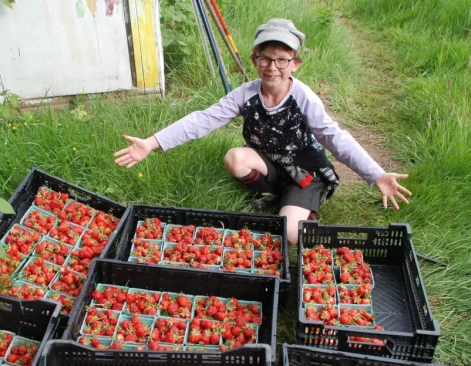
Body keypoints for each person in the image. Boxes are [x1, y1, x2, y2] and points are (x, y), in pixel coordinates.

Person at [114, 18, 411, 244]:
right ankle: (273, 194)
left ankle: (300, 204)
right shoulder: (246, 94)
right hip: (269, 163)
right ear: (255, 59)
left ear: (295, 63)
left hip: (304, 172)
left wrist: (375, 174)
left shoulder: (303, 97)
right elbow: (203, 119)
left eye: (282, 59)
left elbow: (334, 137)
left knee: (290, 234)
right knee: (235, 158)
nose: (273, 67)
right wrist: (152, 143)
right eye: (265, 58)